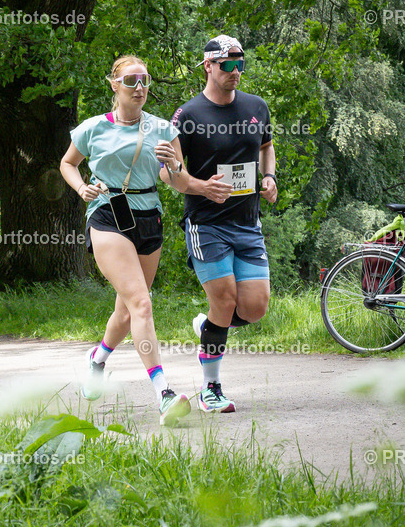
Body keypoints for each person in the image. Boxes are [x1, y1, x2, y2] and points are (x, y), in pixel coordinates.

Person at [60, 55, 194, 426]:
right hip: (106, 213)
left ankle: (97, 360)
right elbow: (67, 163)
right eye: (131, 80)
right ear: (114, 85)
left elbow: (179, 182)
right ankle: (164, 393)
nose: (140, 88)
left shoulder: (165, 129)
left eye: (145, 80)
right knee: (142, 303)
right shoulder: (92, 128)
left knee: (126, 312)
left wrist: (174, 165)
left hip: (148, 217)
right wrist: (81, 187)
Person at [170, 35, 278, 413]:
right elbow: (171, 174)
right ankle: (210, 388)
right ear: (208, 66)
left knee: (255, 307)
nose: (235, 72)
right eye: (227, 64)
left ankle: (210, 328)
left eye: (240, 64)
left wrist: (269, 178)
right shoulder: (187, 116)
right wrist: (201, 187)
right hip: (206, 224)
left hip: (247, 223)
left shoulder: (256, 106)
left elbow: (266, 146)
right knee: (225, 299)